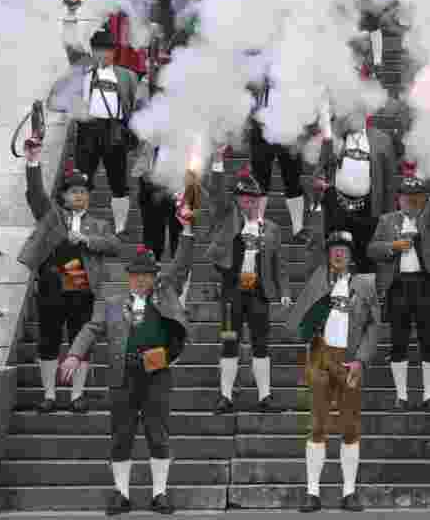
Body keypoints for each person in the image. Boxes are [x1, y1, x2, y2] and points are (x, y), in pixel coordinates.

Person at [58, 200, 194, 515]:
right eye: (137, 275)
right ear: (129, 276)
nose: (142, 280)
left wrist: (187, 228)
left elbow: (183, 262)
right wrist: (75, 355)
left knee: (158, 435)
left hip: (157, 372)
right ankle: (121, 495)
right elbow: (91, 329)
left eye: (147, 275)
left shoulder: (165, 291)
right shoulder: (112, 300)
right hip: (122, 374)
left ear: (153, 276)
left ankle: (160, 494)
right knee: (121, 436)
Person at [18, 138, 121, 413]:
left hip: (82, 287)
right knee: (48, 340)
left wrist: (86, 239)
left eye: (84, 191)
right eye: (74, 191)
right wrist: (33, 161)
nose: (79, 195)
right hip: (52, 284)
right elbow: (37, 194)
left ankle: (77, 395)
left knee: (80, 339)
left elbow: (114, 244)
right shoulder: (52, 215)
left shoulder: (98, 223)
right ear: (63, 196)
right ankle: (49, 394)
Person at [285, 230, 380, 513]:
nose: (338, 253)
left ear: (351, 256)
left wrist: (362, 360)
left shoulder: (365, 284)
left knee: (350, 425)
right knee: (316, 424)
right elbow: (299, 320)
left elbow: (374, 326)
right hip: (320, 357)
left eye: (344, 249)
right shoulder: (317, 281)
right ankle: (312, 492)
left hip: (350, 360)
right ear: (328, 254)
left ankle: (349, 492)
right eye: (334, 249)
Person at [208, 147, 284, 414]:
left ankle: (265, 397)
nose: (247, 203)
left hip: (259, 294)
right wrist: (218, 162)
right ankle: (225, 397)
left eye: (252, 198)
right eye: (242, 198)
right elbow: (216, 194)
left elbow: (278, 264)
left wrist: (283, 290)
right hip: (232, 294)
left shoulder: (271, 228)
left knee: (261, 344)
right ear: (237, 200)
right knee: (229, 342)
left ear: (258, 200)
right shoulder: (227, 219)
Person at [368, 175, 430, 411]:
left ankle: (428, 395)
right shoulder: (386, 220)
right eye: (406, 197)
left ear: (424, 199)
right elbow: (372, 249)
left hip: (425, 284)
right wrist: (393, 247)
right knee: (398, 341)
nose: (411, 202)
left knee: (429, 340)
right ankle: (401, 396)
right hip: (398, 286)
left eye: (416, 198)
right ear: (399, 199)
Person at [315, 106, 397, 274]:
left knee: (366, 258)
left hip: (368, 208)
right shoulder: (334, 138)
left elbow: (390, 183)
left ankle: (365, 297)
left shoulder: (382, 140)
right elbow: (320, 170)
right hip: (337, 206)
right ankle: (337, 294)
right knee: (337, 255)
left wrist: (389, 216)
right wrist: (321, 182)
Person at [74, 28, 138, 236]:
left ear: (114, 52)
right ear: (92, 51)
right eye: (99, 49)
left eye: (108, 49)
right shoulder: (83, 71)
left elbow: (137, 104)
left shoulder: (127, 76)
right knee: (82, 179)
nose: (104, 53)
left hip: (115, 129)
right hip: (88, 129)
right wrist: (71, 13)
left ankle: (120, 227)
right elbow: (70, 45)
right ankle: (77, 222)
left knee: (119, 181)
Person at [248, 61, 309, 242]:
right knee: (260, 179)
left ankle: (298, 228)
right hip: (261, 125)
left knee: (293, 178)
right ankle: (256, 223)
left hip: (289, 124)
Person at [130, 64, 182, 262]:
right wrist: (145, 80)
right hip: (151, 177)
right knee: (151, 232)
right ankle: (152, 269)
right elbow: (136, 114)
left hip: (180, 180)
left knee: (183, 232)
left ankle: (180, 280)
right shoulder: (149, 109)